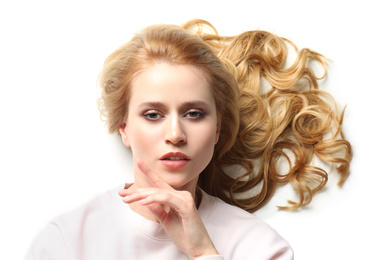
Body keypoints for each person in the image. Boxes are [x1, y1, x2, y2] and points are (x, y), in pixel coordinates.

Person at [25, 19, 351, 259]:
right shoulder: (66, 240)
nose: (175, 135)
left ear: (218, 129)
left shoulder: (258, 247)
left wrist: (203, 252)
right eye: (153, 115)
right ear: (124, 128)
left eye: (194, 113)